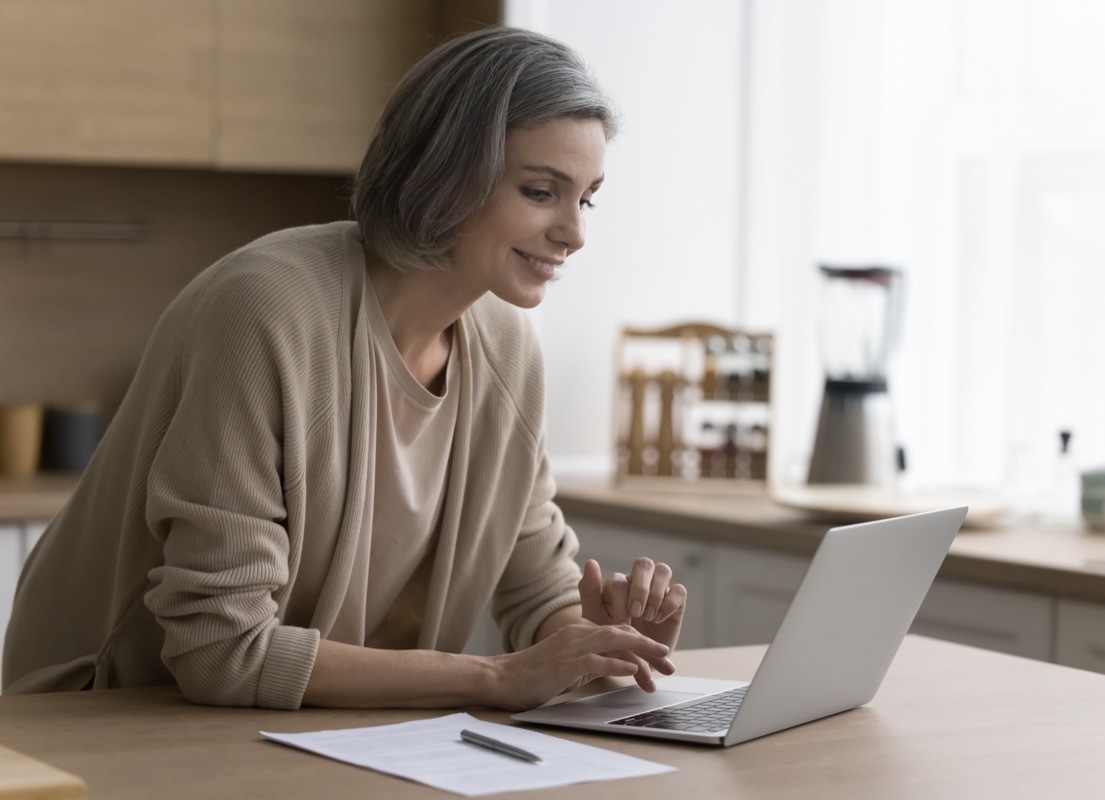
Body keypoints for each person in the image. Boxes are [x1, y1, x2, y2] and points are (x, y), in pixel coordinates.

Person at [2, 26, 687, 711]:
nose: (576, 232)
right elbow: (221, 650)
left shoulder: (508, 349)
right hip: (102, 716)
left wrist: (603, 641)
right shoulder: (267, 312)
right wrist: (498, 678)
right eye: (541, 191)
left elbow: (538, 591)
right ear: (447, 177)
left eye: (587, 197)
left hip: (315, 726)